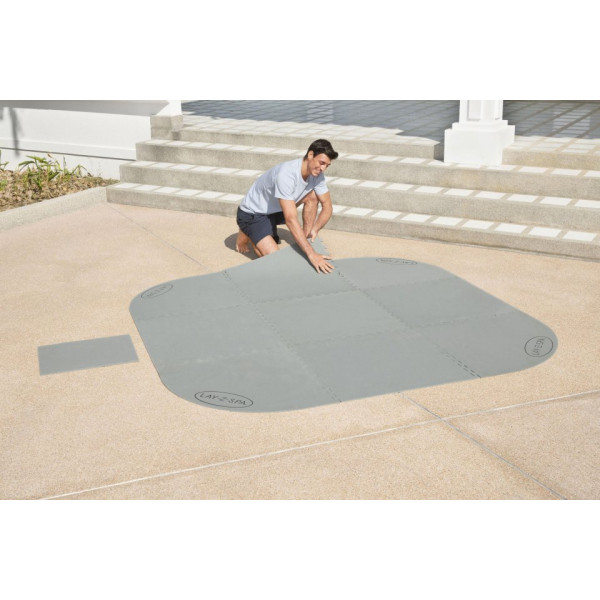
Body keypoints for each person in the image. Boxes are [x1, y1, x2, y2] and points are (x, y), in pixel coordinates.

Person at [235, 139, 338, 274]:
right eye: (321, 163)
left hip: (276, 208)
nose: (323, 168)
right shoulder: (287, 174)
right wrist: (312, 255)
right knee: (276, 261)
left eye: (327, 165)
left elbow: (327, 206)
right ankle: (247, 231)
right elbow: (290, 219)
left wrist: (315, 229)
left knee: (312, 196)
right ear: (310, 155)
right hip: (253, 214)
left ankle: (306, 240)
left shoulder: (318, 175)